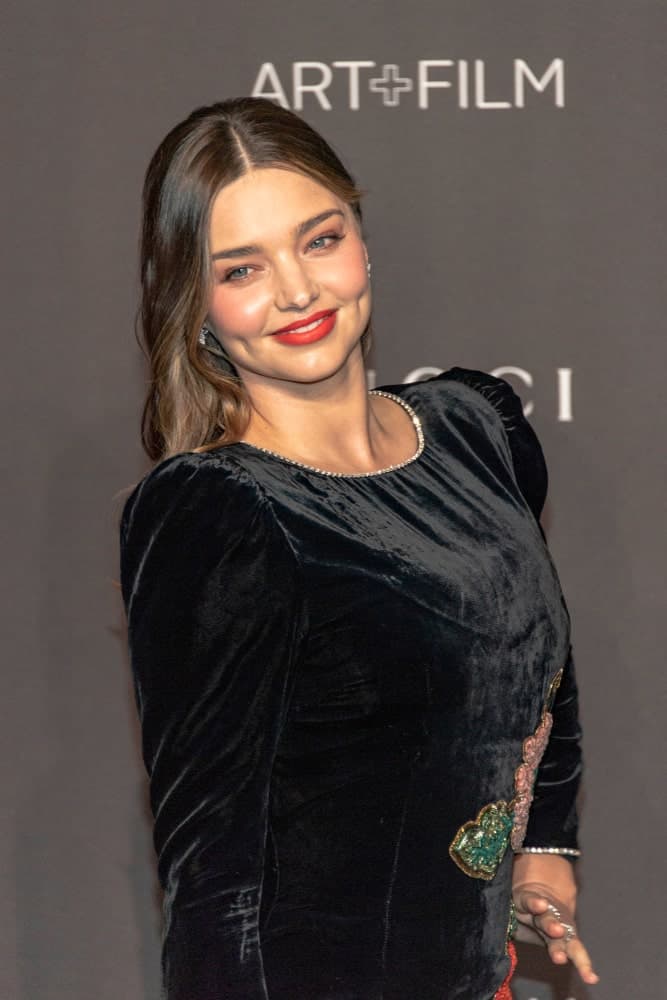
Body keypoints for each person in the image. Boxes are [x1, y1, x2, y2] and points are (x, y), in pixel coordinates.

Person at [119, 97, 599, 999]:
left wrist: (541, 846)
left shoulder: (477, 426)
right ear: (196, 304)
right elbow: (212, 876)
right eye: (242, 267)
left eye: (319, 239)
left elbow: (539, 658)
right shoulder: (216, 511)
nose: (297, 291)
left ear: (362, 240)